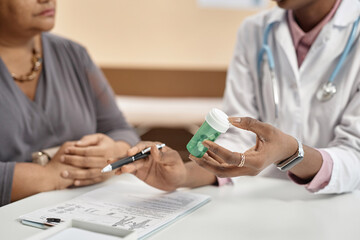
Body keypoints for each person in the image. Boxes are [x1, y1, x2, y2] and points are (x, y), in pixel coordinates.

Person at [117, 0, 360, 194]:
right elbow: (238, 139)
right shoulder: (254, 31)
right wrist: (183, 176)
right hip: (260, 201)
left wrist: (291, 152)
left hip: (339, 205)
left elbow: (355, 156)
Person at [0, 0, 139, 206]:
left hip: (84, 211)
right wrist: (47, 176)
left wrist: (112, 151)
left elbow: (120, 129)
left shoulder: (74, 55)